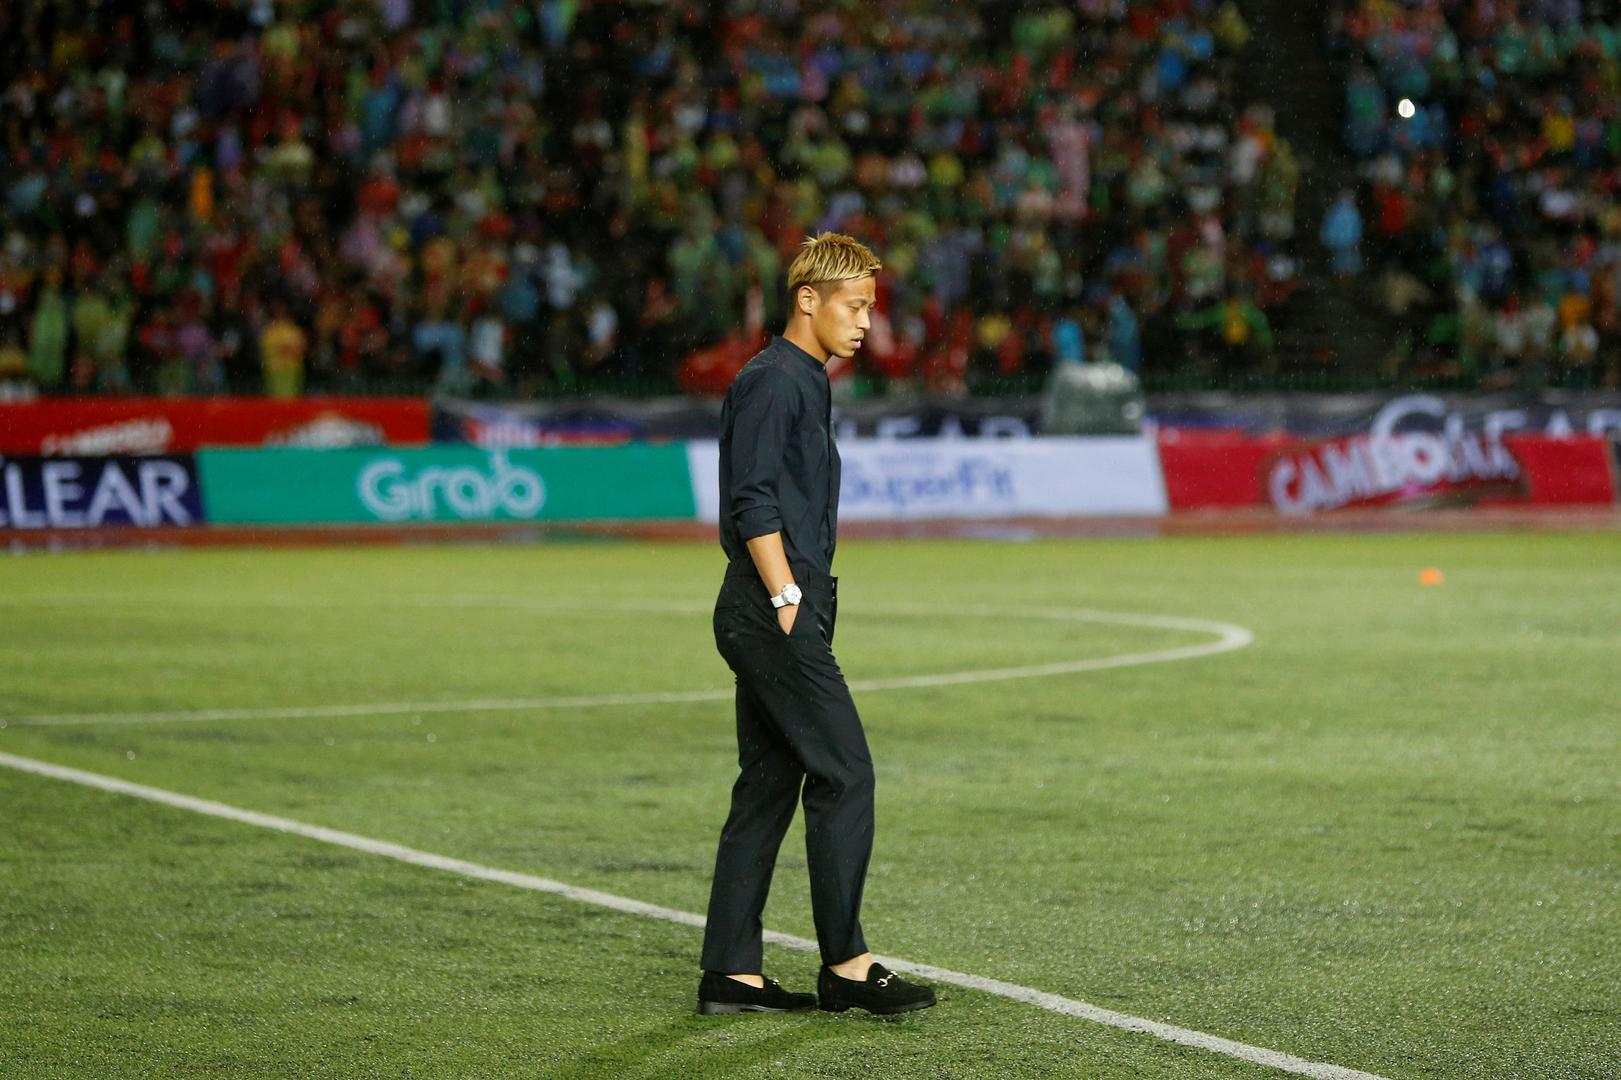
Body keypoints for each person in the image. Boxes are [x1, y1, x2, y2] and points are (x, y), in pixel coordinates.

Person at [697, 233, 936, 1017]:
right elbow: (751, 499)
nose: (867, 322)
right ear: (808, 300)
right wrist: (786, 597)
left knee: (768, 786)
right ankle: (846, 964)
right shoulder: (774, 381)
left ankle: (731, 972)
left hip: (780, 606)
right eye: (855, 305)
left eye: (870, 307)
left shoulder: (802, 379)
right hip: (773, 608)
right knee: (846, 772)